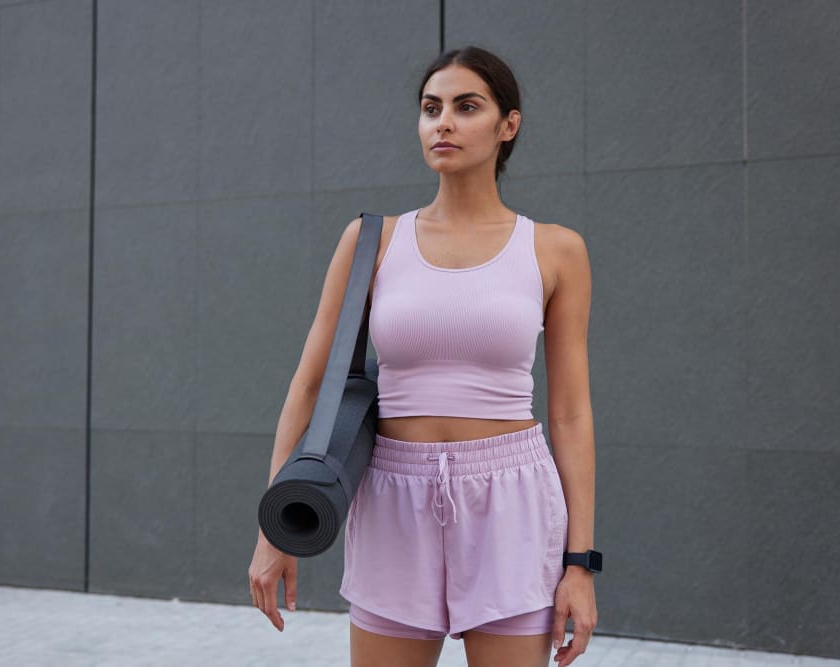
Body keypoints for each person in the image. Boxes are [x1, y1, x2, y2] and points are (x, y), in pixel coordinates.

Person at [249, 45, 598, 667]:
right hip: (392, 499)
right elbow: (308, 387)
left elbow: (571, 414)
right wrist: (274, 530)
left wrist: (579, 565)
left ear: (507, 125)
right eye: (431, 108)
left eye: (467, 107)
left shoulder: (555, 250)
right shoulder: (371, 240)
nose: (443, 122)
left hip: (510, 501)